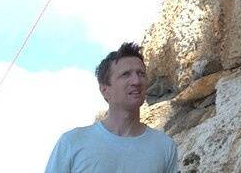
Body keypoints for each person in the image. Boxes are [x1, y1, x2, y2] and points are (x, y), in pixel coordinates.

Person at [45, 42, 178, 173]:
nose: (136, 81)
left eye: (141, 74)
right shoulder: (72, 142)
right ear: (105, 90)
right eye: (126, 74)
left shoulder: (164, 146)